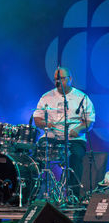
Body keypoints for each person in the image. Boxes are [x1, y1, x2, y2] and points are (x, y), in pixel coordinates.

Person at [33, 67, 95, 199]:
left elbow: (89, 121)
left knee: (76, 156)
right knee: (37, 153)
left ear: (70, 79)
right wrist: (46, 124)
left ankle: (73, 195)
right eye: (56, 79)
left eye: (62, 78)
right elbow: (37, 119)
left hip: (74, 139)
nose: (58, 81)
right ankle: (34, 192)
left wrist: (77, 130)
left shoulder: (82, 98)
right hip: (51, 136)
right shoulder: (46, 97)